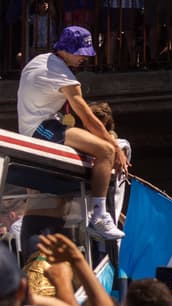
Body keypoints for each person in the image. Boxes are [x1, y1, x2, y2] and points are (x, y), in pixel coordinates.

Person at [17, 26, 128, 240]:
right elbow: (88, 119)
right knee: (105, 150)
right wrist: (115, 148)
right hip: (42, 128)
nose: (83, 58)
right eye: (80, 53)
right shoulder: (62, 74)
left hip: (43, 124)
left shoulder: (41, 60)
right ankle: (99, 216)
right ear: (65, 50)